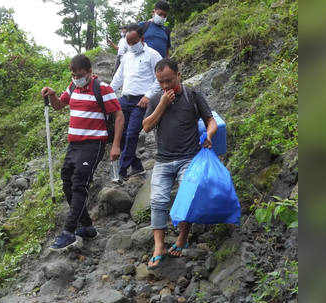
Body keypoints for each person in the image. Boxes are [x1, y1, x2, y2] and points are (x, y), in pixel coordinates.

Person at [41, 54, 125, 251]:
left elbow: (119, 116)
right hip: (74, 144)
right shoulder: (72, 87)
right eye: (73, 74)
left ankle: (69, 231)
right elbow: (59, 106)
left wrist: (116, 145)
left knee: (80, 184)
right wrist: (53, 94)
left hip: (93, 144)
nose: (76, 77)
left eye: (79, 74)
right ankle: (87, 227)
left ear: (89, 72)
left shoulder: (102, 88)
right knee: (67, 182)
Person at [142, 58, 217, 269]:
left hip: (189, 158)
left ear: (178, 75)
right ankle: (159, 247)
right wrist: (162, 105)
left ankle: (182, 238)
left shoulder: (192, 96)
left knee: (187, 198)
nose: (165, 86)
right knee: (157, 201)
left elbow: (210, 120)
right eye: (161, 82)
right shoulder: (156, 99)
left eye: (169, 80)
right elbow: (146, 126)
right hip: (163, 159)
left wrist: (209, 134)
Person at [110, 24, 162, 184]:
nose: (131, 45)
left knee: (132, 133)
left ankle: (121, 172)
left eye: (134, 42)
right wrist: (108, 94)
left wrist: (148, 96)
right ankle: (137, 165)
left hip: (142, 101)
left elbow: (160, 80)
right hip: (125, 99)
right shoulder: (126, 57)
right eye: (128, 42)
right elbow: (118, 78)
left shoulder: (153, 55)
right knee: (120, 133)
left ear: (142, 39)